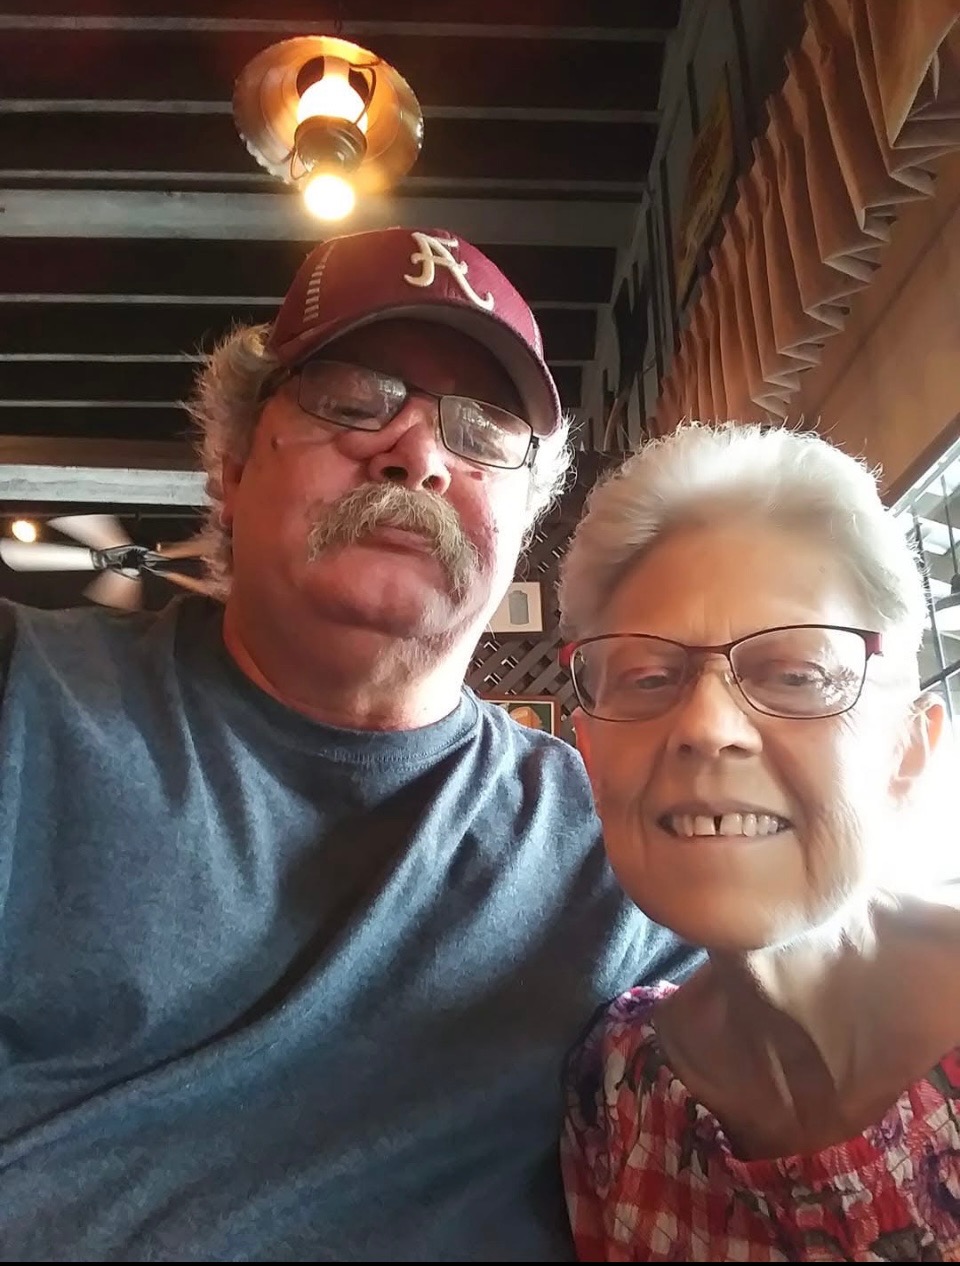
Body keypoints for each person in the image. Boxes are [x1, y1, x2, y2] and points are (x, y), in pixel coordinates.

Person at [0, 226, 697, 1261]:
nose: (417, 454)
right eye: (350, 398)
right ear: (232, 466)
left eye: (482, 431)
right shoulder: (26, 693)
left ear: (522, 521)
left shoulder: (618, 845)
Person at [556, 420, 960, 1262]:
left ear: (909, 750)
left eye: (798, 674)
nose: (707, 726)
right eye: (649, 677)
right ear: (589, 755)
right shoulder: (620, 1102)